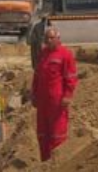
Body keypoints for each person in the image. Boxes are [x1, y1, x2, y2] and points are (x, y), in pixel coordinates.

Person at [31, 26, 78, 162]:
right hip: (43, 101)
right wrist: (34, 94)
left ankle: (57, 162)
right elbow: (37, 75)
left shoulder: (65, 55)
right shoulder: (43, 54)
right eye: (47, 38)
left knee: (57, 133)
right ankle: (44, 161)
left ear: (58, 39)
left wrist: (67, 95)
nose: (49, 40)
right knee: (42, 133)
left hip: (57, 101)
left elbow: (71, 77)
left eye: (52, 38)